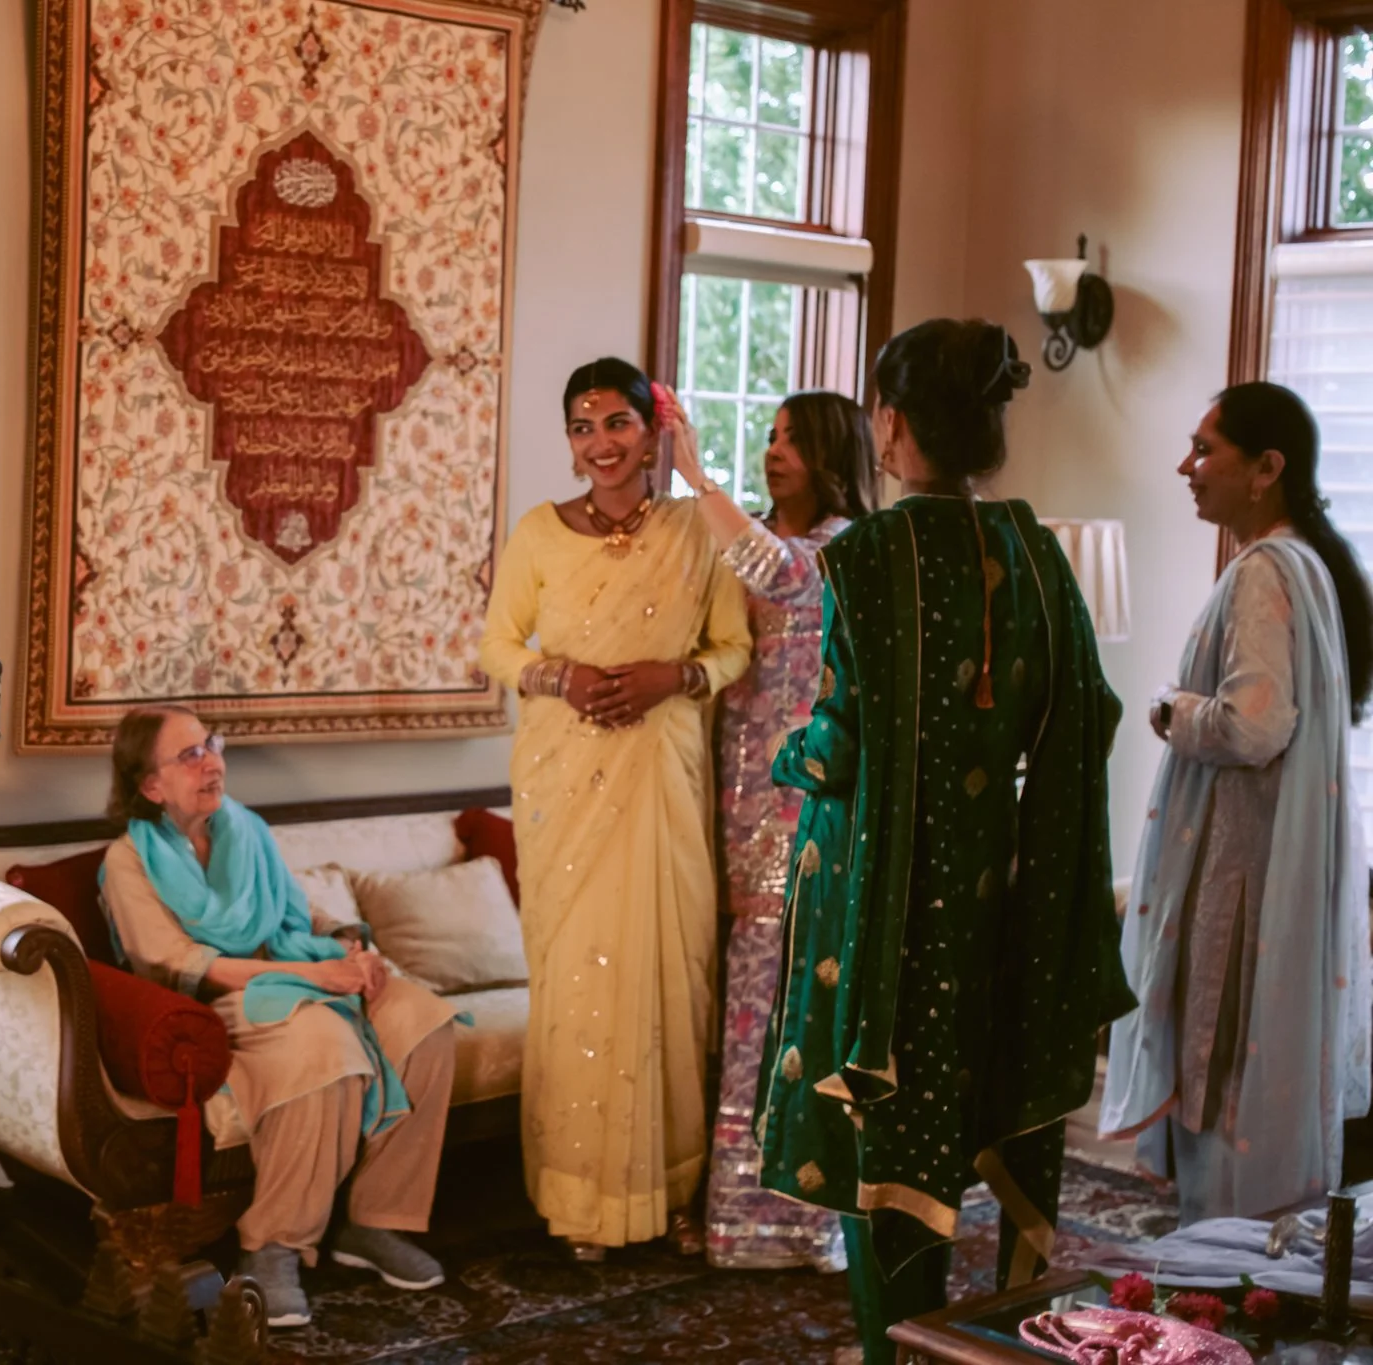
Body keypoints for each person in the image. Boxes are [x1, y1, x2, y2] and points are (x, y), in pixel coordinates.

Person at [753, 319, 1135, 1363]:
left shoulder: (866, 554)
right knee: (980, 1110)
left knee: (888, 1150)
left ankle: (897, 1351)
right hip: (1003, 899)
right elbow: (1087, 715)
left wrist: (785, 756)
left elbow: (836, 747)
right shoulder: (1033, 548)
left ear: (890, 420)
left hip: (884, 916)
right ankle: (1009, 1347)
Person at [478, 357, 752, 1260]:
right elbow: (497, 647)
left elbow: (733, 648)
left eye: (618, 425)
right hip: (564, 780)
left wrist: (673, 676)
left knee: (669, 973)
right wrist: (567, 676)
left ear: (653, 431)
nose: (601, 444)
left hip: (661, 774)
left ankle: (671, 1194)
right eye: (583, 427)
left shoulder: (693, 530)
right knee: (579, 981)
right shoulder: (538, 534)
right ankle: (582, 1199)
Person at [1101, 382, 1372, 1224]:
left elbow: (1255, 725)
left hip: (1243, 871)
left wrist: (1166, 708)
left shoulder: (1265, 572)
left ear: (1267, 469)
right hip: (1259, 862)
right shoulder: (1306, 565)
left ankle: (1218, 1271)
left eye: (1205, 448)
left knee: (1223, 1070)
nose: (1187, 466)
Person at [100, 704, 462, 1329]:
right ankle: (271, 1245)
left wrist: (351, 944)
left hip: (299, 975)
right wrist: (312, 977)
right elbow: (180, 961)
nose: (210, 761)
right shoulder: (127, 862)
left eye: (210, 745)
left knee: (423, 1018)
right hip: (220, 1001)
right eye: (189, 755)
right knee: (324, 1046)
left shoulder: (245, 829)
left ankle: (376, 1221)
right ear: (150, 785)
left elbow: (301, 913)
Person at [685, 391, 876, 1273]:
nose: (775, 452)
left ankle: (793, 1221)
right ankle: (721, 1206)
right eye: (769, 436)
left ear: (833, 451)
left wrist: (692, 472)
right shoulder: (745, 535)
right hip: (723, 798)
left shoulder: (843, 547)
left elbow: (776, 568)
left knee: (786, 1006)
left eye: (793, 440)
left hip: (802, 813)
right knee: (733, 1003)